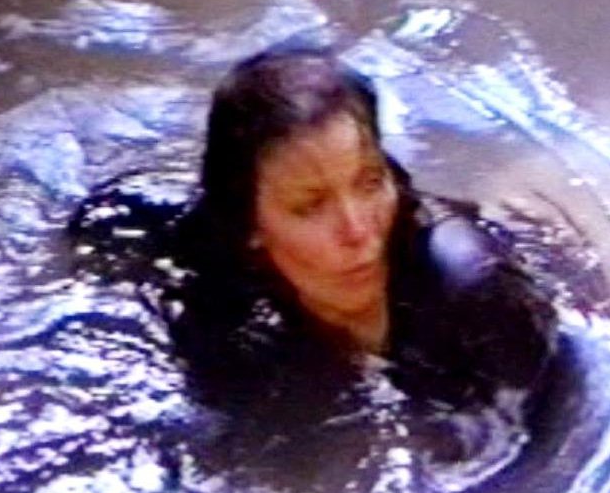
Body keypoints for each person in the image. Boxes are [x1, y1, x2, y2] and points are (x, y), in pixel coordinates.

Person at [68, 43, 559, 417]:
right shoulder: (216, 297)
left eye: (370, 183)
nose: (358, 231)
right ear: (251, 225)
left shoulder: (476, 291)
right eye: (311, 206)